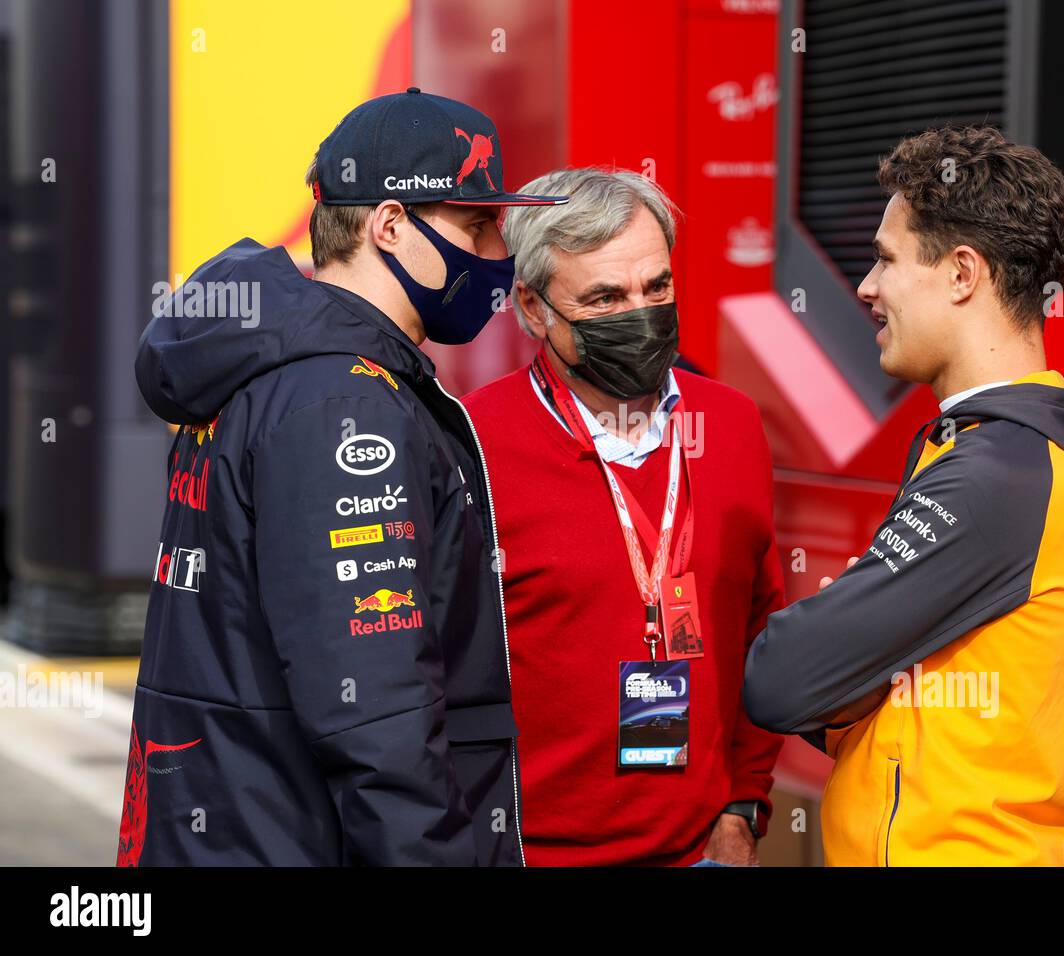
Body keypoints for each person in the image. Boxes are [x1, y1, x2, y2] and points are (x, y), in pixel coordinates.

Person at [119, 89, 566, 866]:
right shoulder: (343, 403)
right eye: (475, 225)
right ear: (389, 224)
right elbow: (374, 714)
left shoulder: (271, 372)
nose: (499, 255)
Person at [743, 126, 1064, 866]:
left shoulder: (1002, 469)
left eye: (886, 259)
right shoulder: (997, 446)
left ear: (963, 274)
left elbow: (782, 681)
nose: (865, 286)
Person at [463, 168, 785, 866]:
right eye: (606, 297)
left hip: (702, 851)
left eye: (656, 288)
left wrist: (743, 806)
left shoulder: (729, 424)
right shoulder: (472, 442)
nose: (639, 312)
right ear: (533, 307)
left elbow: (761, 628)